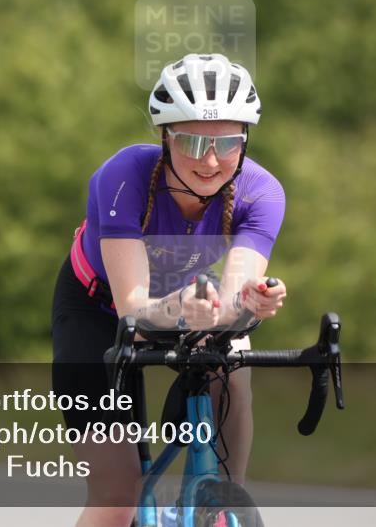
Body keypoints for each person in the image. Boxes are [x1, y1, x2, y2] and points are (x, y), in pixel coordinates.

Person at [51, 53, 287, 527]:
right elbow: (132, 312)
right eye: (192, 141)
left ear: (246, 140)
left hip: (187, 303)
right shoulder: (123, 177)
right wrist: (187, 306)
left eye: (228, 143)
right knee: (117, 500)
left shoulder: (263, 193)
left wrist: (250, 302)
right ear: (164, 136)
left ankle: (224, 498)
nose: (210, 160)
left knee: (234, 353)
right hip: (97, 309)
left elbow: (236, 292)